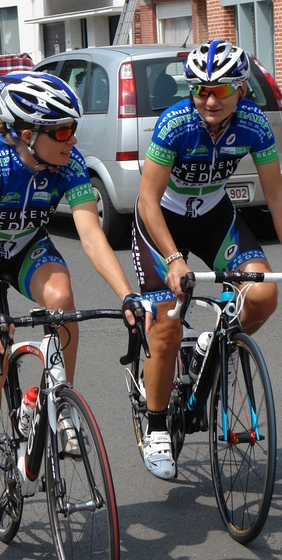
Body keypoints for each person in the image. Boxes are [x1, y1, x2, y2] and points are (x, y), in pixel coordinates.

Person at [0, 71, 153, 530]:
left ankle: (56, 402)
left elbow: (92, 236)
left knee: (62, 297)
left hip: (24, 247)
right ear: (25, 133)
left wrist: (128, 295)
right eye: (60, 131)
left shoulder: (70, 163)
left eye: (73, 128)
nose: (71, 139)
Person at [133, 39, 282, 480]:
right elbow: (147, 199)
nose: (209, 100)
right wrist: (174, 259)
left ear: (241, 90)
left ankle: (212, 345)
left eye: (220, 90)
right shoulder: (176, 123)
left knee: (262, 295)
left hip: (215, 215)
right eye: (200, 89)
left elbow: (275, 196)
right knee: (165, 324)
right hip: (163, 220)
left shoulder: (254, 123)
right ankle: (157, 425)